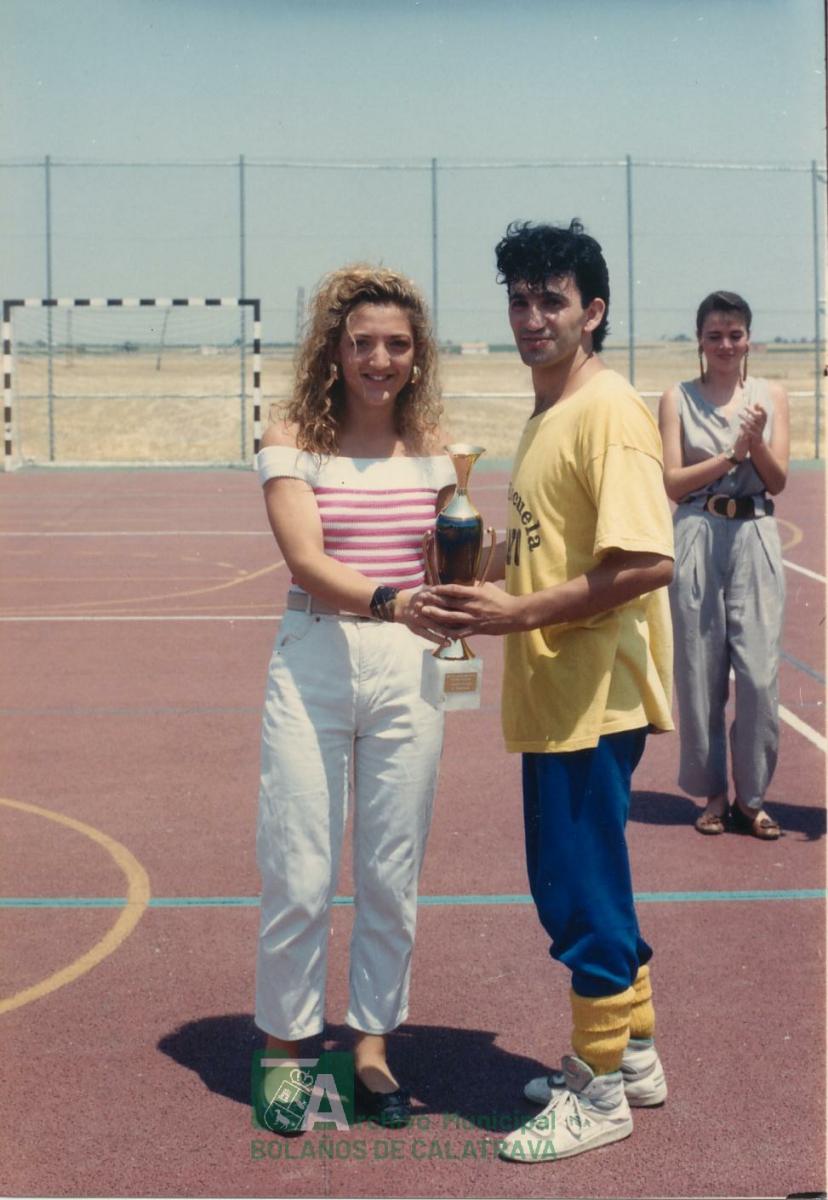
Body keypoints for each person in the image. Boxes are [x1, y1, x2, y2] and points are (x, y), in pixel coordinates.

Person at [414, 220, 675, 1162]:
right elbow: (552, 550)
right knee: (592, 877)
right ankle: (632, 1055)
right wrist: (475, 568)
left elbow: (646, 561)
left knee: (575, 890)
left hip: (590, 695)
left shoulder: (608, 411)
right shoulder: (549, 412)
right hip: (558, 688)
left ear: (592, 311)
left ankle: (597, 1091)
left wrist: (517, 615)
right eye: (520, 301)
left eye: (551, 301)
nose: (532, 318)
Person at [253, 265, 455, 1128]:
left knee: (390, 870)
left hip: (410, 664)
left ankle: (371, 1047)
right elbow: (306, 560)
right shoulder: (293, 435)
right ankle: (287, 1047)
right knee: (300, 869)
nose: (380, 359)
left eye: (397, 345)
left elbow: (451, 560)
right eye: (362, 342)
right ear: (332, 350)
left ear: (417, 355)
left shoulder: (437, 446)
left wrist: (482, 568)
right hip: (317, 657)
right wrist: (392, 600)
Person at [658, 291, 789, 839]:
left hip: (755, 534)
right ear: (700, 341)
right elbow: (673, 482)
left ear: (749, 340)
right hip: (697, 532)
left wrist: (755, 445)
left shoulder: (771, 396)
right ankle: (713, 793)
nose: (726, 345)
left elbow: (777, 480)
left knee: (758, 674)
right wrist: (731, 455)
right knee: (699, 671)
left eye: (735, 335)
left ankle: (751, 797)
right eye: (714, 335)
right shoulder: (677, 398)